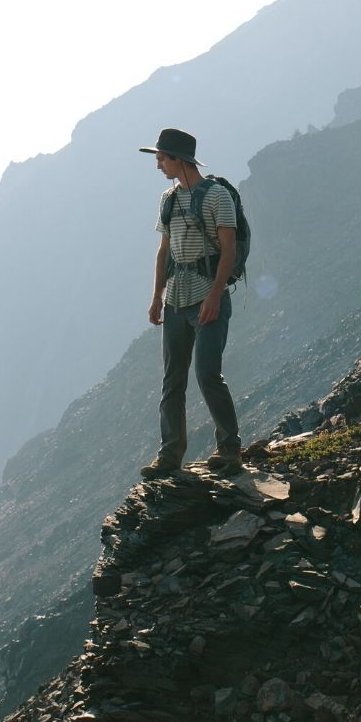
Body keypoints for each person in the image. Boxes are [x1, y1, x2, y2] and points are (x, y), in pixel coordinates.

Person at [137, 127, 241, 477]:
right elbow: (164, 251)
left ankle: (229, 450)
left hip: (207, 297)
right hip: (176, 301)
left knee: (207, 374)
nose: (158, 166)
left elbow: (229, 249)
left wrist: (215, 295)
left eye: (162, 158)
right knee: (172, 381)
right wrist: (156, 296)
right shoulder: (168, 200)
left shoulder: (217, 197)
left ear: (179, 160)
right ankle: (170, 456)